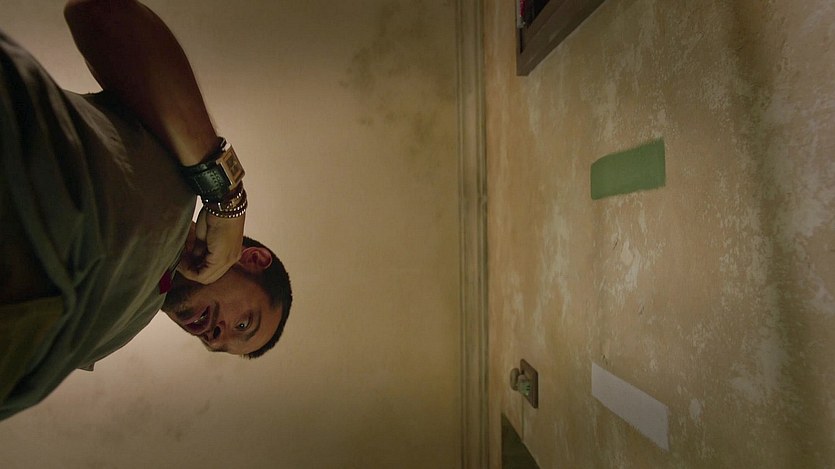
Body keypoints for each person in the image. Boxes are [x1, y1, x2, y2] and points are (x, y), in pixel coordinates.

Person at [0, 0, 292, 421]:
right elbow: (102, 16)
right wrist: (226, 197)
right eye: (243, 324)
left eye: (220, 345)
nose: (215, 338)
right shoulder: (179, 164)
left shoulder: (120, 331)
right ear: (254, 260)